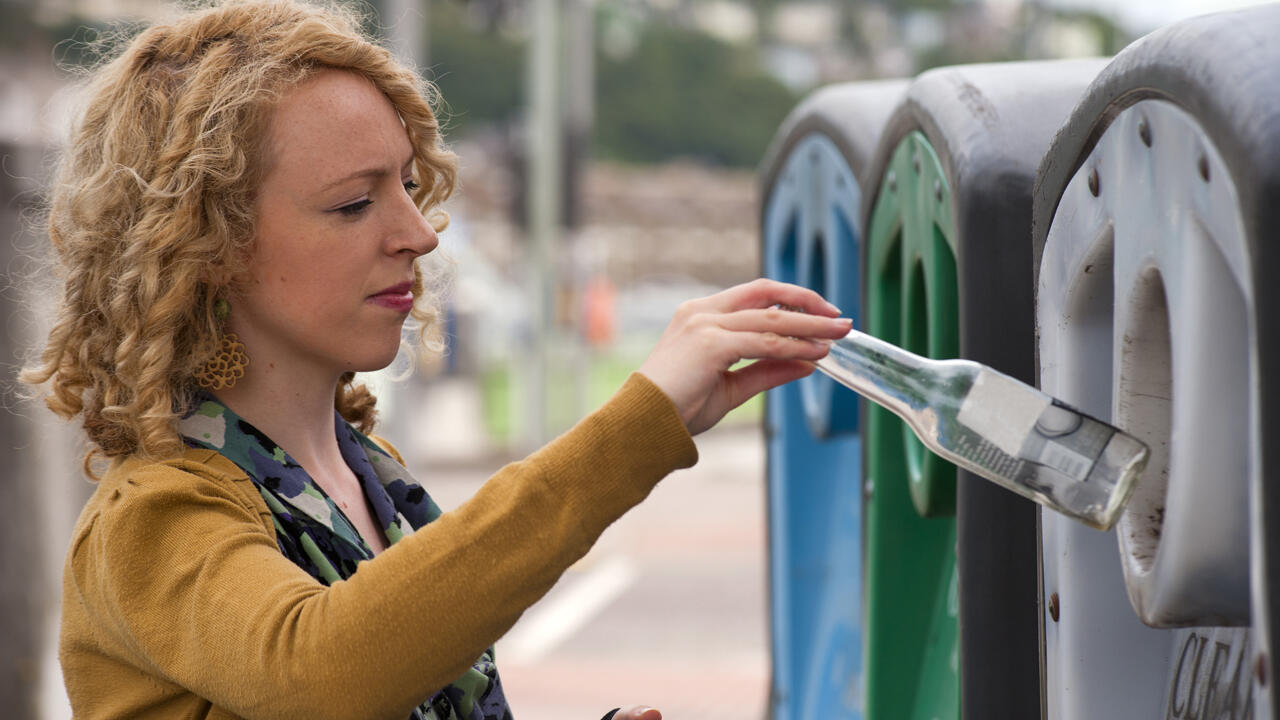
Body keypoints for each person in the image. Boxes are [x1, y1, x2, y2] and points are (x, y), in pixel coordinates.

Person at [21, 2, 852, 719]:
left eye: (410, 189)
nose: (418, 235)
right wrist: (639, 424)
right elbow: (322, 671)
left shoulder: (367, 473)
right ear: (208, 245)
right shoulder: (153, 515)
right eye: (355, 203)